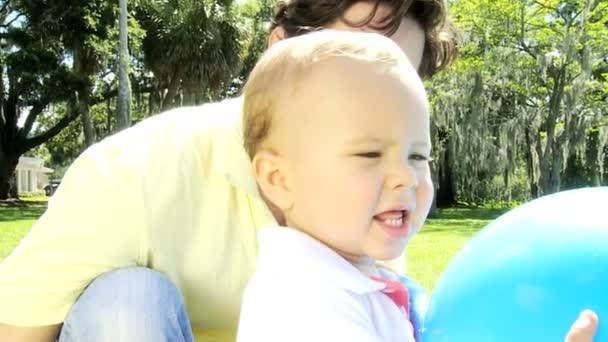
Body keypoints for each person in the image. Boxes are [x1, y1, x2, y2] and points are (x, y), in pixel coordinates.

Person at [0, 1, 597, 342]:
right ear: (275, 47)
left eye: (398, 84)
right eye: (351, 65)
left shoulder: (368, 214)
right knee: (127, 303)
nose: (403, 173)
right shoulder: (134, 173)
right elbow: (18, 326)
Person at [236, 29, 434, 342]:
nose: (406, 176)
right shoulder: (300, 300)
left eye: (418, 155)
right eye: (370, 154)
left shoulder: (351, 281)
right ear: (280, 180)